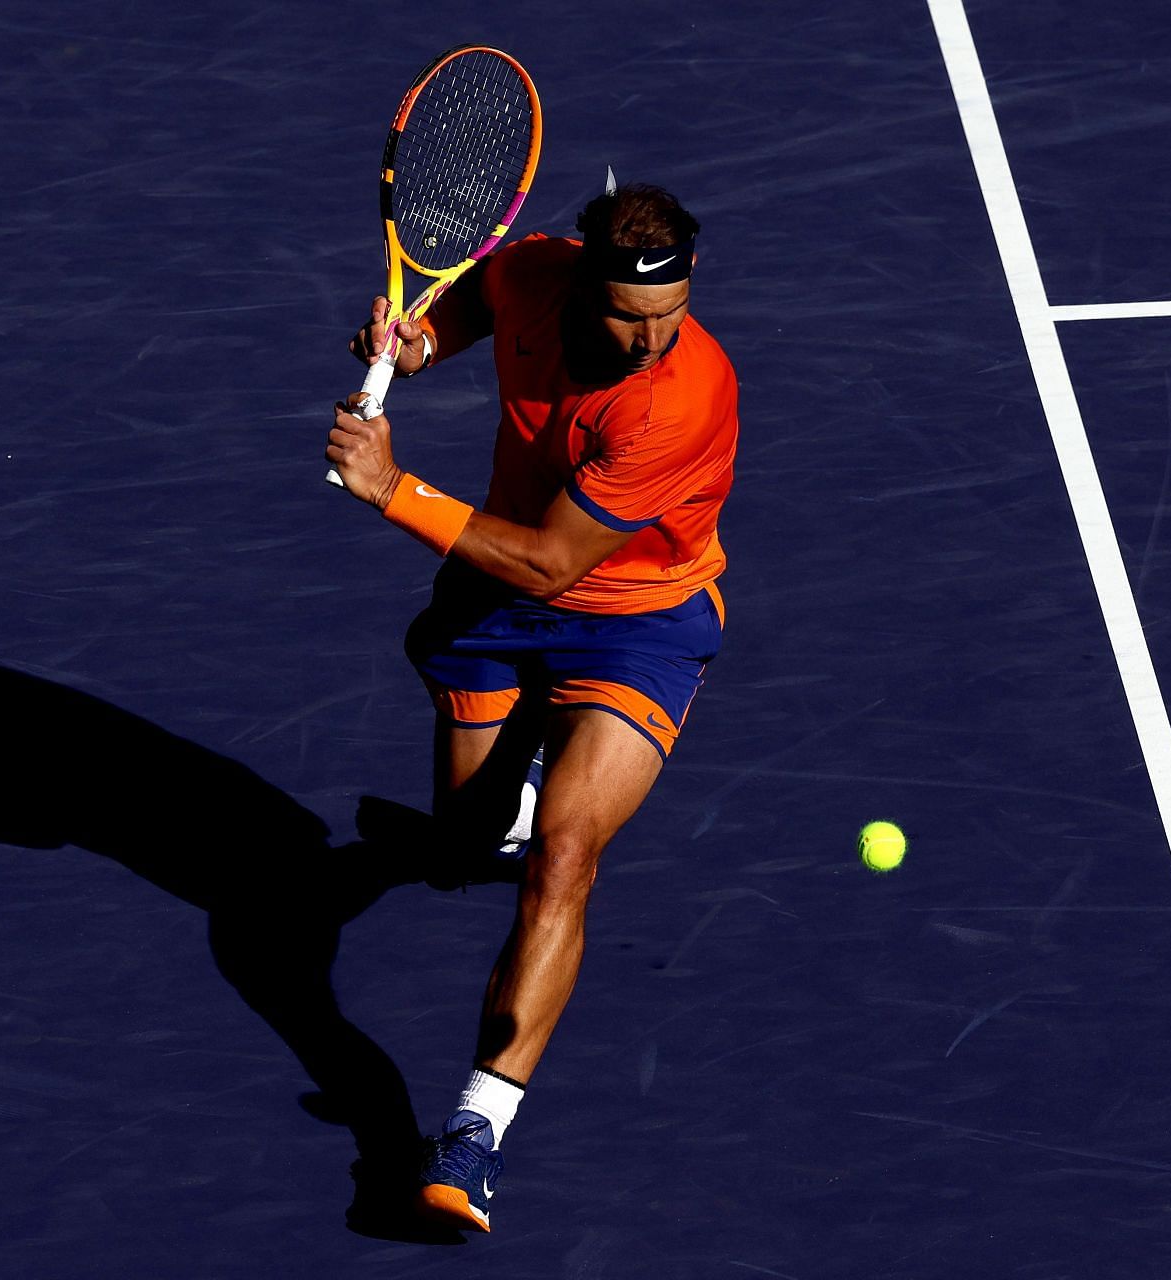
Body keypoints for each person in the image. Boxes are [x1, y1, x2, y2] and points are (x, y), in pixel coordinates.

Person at [325, 182, 738, 1233]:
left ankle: (473, 1131)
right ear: (577, 285)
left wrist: (391, 488)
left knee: (566, 853)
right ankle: (498, 818)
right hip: (494, 596)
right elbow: (480, 302)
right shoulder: (532, 272)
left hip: (632, 622)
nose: (652, 340)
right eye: (629, 317)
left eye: (672, 315)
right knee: (465, 841)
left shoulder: (682, 396)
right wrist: (419, 346)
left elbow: (556, 562)